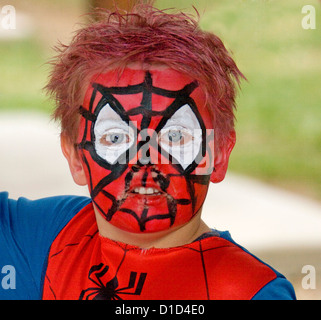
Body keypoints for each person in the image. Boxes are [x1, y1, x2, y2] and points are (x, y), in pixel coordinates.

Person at [0, 2, 296, 300]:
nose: (144, 158)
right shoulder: (38, 239)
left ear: (216, 155)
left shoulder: (251, 291)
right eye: (115, 137)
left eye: (175, 136)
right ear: (76, 156)